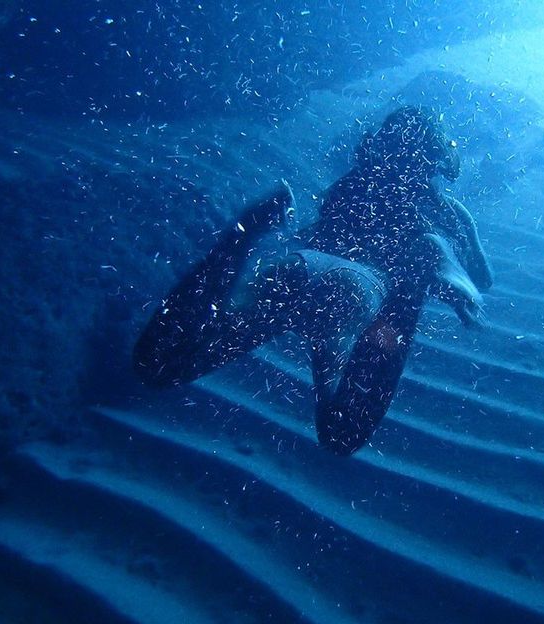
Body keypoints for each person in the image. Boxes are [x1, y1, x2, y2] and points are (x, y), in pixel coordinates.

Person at [133, 106, 493, 454]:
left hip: (298, 271)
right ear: (436, 157)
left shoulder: (352, 182)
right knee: (341, 437)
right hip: (359, 291)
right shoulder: (445, 209)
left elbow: (323, 235)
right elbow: (484, 279)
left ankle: (245, 234)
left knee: (160, 367)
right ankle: (421, 268)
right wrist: (460, 247)